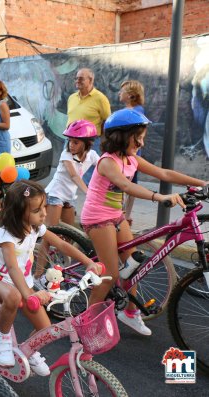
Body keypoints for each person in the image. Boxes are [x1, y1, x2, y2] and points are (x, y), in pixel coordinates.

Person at [81, 109, 208, 335]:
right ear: (121, 136)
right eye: (137, 137)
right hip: (97, 218)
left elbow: (165, 173)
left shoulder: (131, 159)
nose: (141, 142)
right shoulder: (108, 162)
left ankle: (129, 312)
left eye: (142, 137)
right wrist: (159, 197)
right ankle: (86, 322)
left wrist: (203, 183)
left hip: (115, 216)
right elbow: (127, 186)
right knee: (110, 273)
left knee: (133, 266)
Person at [0, 180, 100, 370]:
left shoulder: (35, 227)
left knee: (46, 329)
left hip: (24, 285)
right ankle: (2, 340)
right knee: (14, 295)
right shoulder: (7, 235)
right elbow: (12, 268)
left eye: (44, 206)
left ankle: (29, 350)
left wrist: (89, 262)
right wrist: (30, 294)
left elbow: (61, 244)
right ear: (19, 213)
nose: (44, 213)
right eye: (37, 210)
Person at [33, 120, 99, 285]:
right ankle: (37, 276)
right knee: (50, 235)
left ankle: (59, 271)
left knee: (68, 238)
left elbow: (104, 166)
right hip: (54, 195)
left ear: (87, 144)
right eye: (70, 141)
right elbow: (74, 176)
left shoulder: (91, 155)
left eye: (76, 142)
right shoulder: (66, 155)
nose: (71, 145)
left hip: (69, 198)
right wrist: (90, 192)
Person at [66, 68, 111, 185]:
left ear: (90, 80)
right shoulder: (72, 98)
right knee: (67, 169)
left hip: (89, 141)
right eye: (76, 78)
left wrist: (105, 140)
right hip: (69, 139)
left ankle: (91, 195)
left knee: (90, 173)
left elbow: (107, 120)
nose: (77, 81)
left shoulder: (100, 98)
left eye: (80, 78)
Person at [118, 80, 145, 224]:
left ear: (131, 95)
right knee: (129, 183)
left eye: (122, 91)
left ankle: (125, 214)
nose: (119, 93)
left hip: (129, 154)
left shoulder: (135, 112)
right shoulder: (132, 111)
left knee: (127, 183)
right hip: (127, 154)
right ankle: (125, 214)